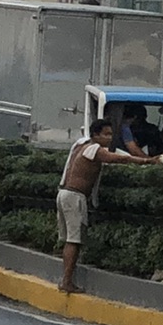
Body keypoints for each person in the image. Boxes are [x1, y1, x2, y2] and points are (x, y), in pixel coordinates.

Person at [56, 113, 116, 294]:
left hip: (64, 194)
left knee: (69, 240)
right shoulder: (95, 149)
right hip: (75, 197)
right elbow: (119, 159)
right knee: (74, 241)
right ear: (96, 135)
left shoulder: (80, 145)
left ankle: (66, 279)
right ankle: (67, 281)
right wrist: (148, 160)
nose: (110, 138)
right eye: (106, 134)